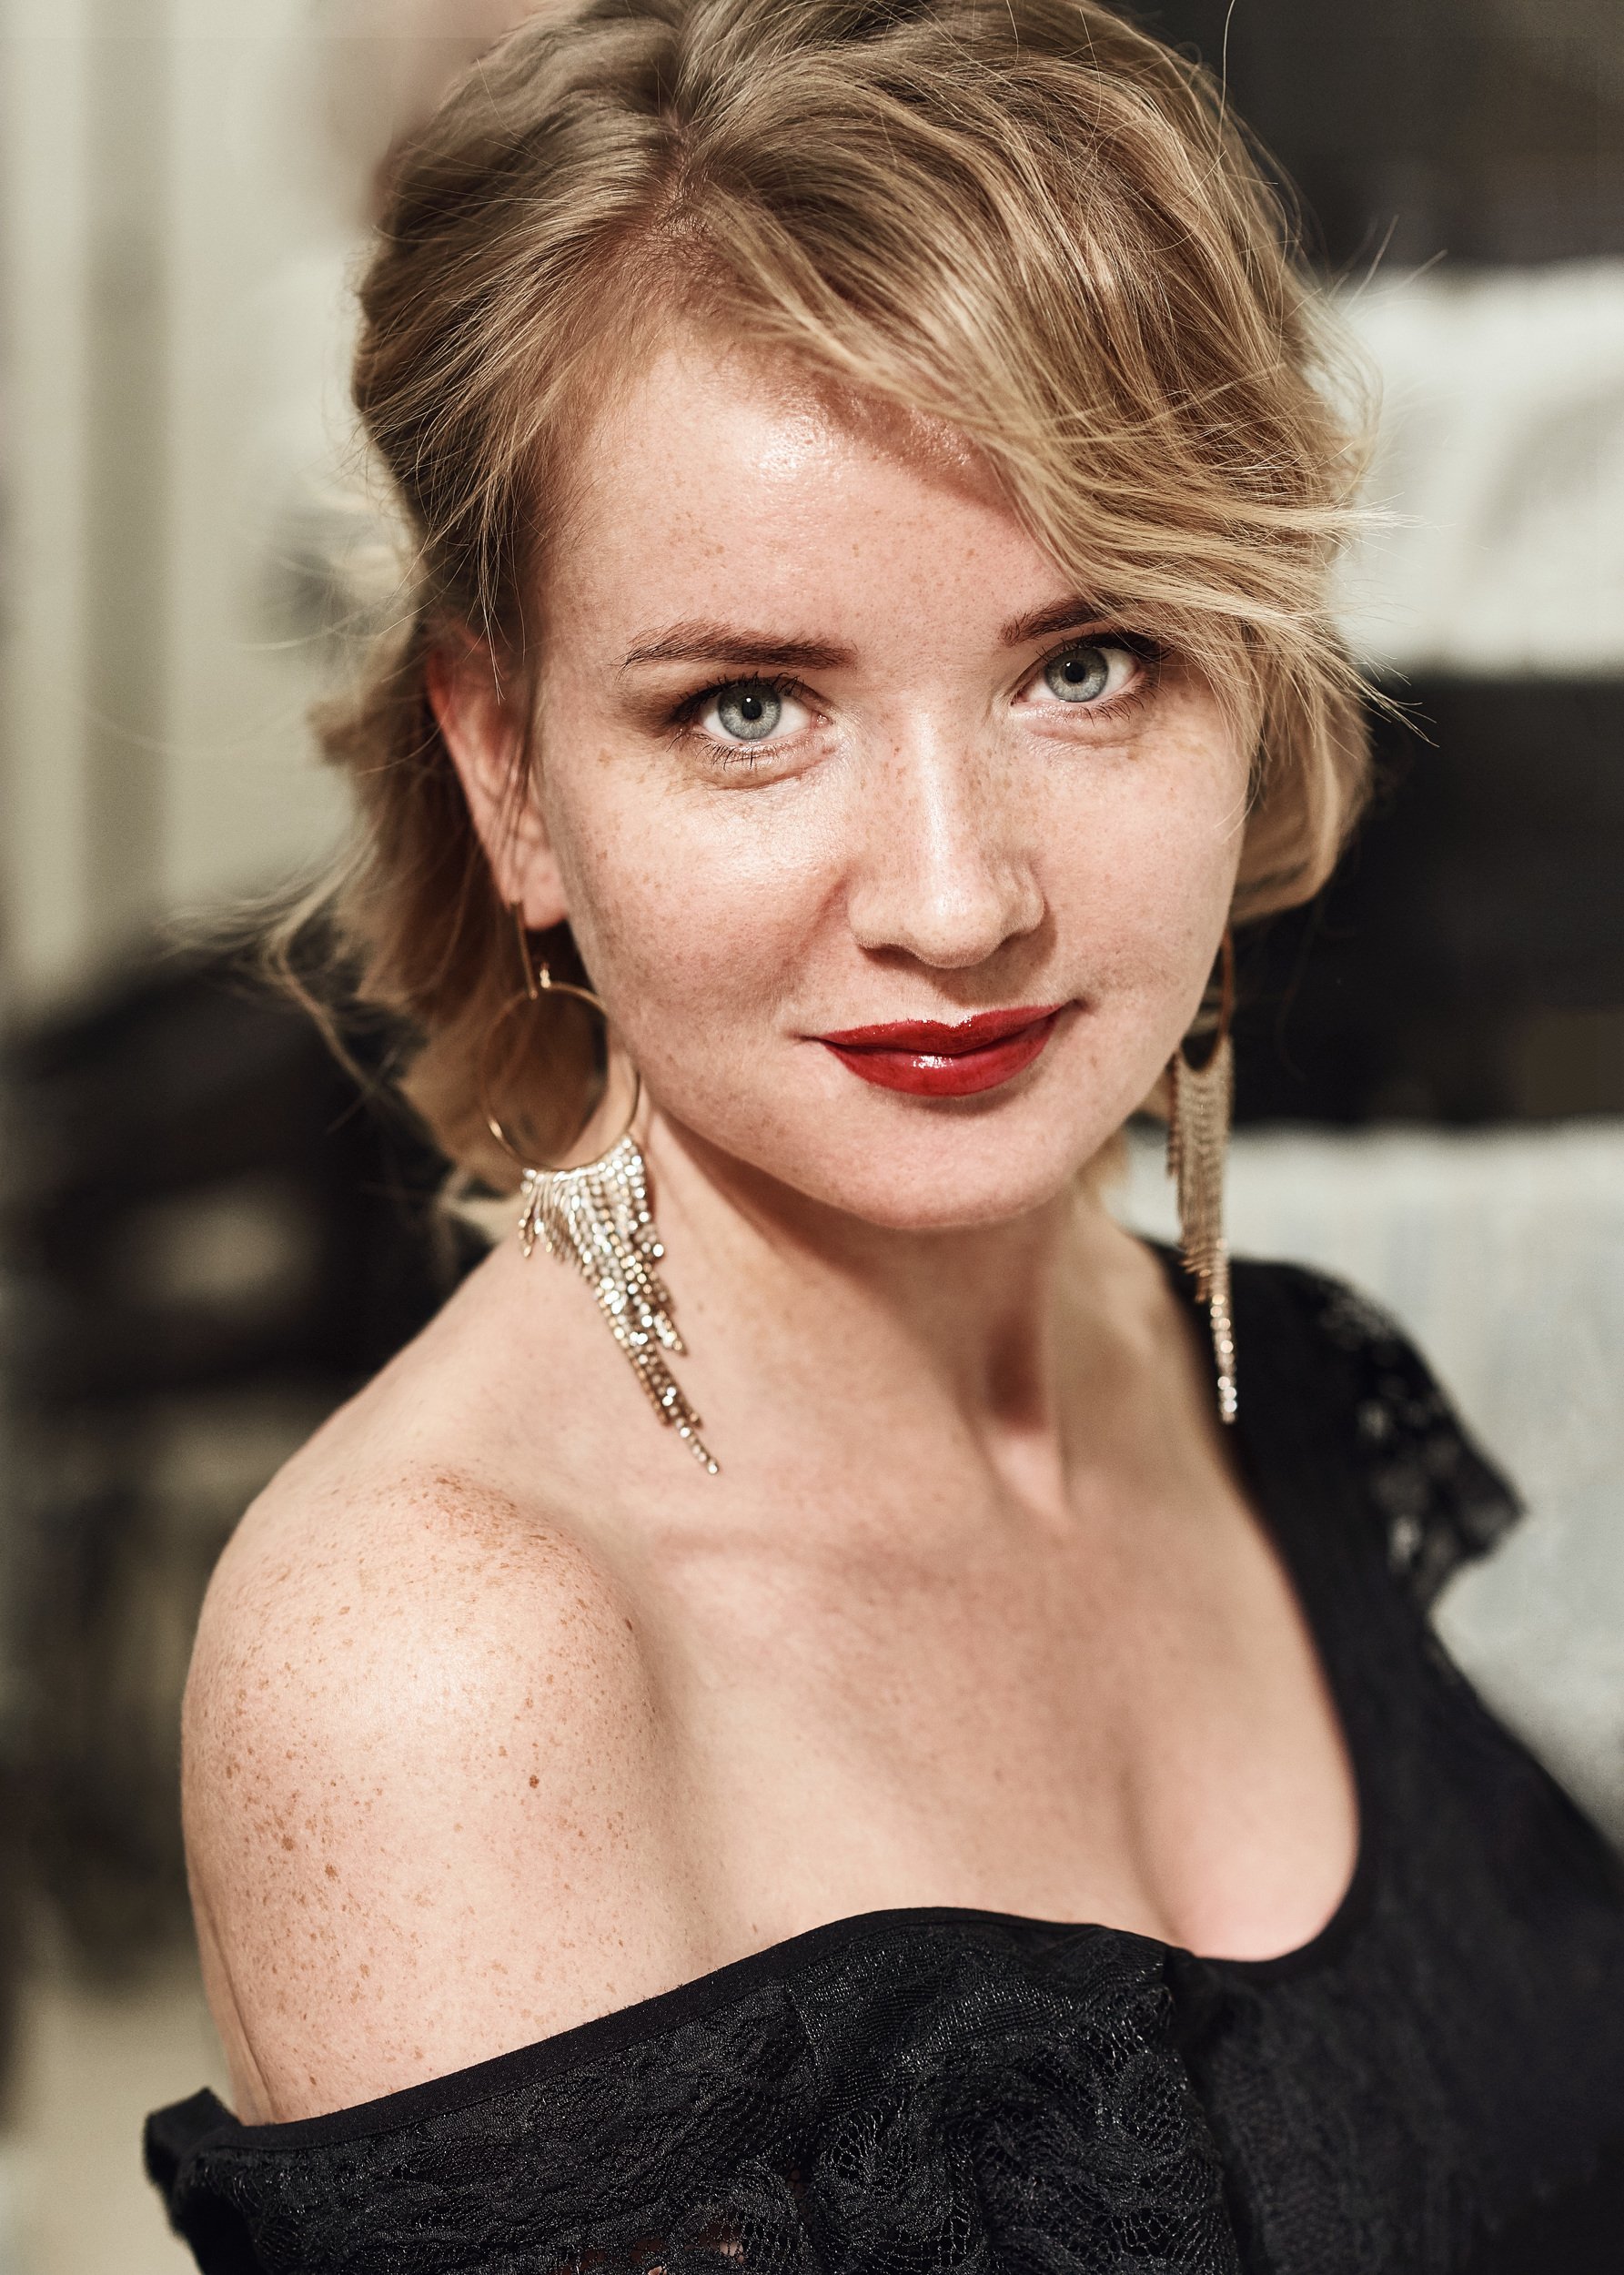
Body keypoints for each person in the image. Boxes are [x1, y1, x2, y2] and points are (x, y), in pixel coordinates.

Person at [144, 0, 1624, 2265]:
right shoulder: (446, 1662)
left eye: (1086, 662)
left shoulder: (1262, 1384)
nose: (955, 898)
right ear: (507, 772)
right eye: (748, 704)